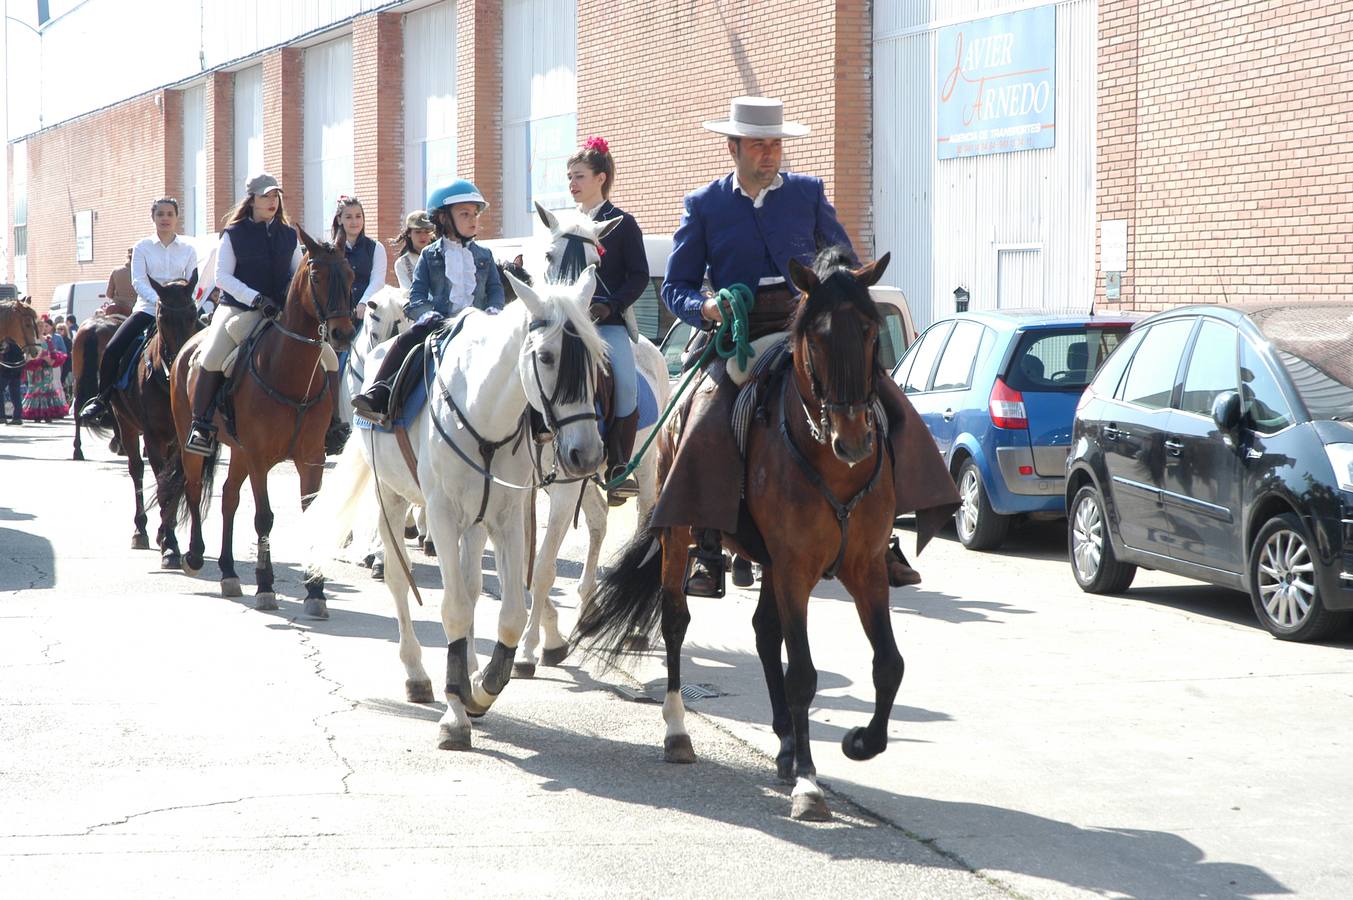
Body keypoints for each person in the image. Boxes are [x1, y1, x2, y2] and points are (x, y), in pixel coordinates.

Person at [655, 96, 957, 596]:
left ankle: (885, 531)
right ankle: (705, 543)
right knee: (703, 415)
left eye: (775, 144)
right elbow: (675, 288)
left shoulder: (808, 193)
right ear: (733, 147)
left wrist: (835, 293)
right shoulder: (703, 204)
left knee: (881, 399)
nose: (769, 153)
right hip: (740, 330)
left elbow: (844, 258)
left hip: (808, 327)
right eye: (758, 144)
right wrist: (707, 308)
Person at [351, 180, 504, 423]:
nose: (473, 219)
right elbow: (417, 296)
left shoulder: (484, 255)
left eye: (474, 214)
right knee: (405, 341)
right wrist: (428, 313)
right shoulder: (429, 255)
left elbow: (495, 289)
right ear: (443, 219)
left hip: (481, 324)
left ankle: (537, 421)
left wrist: (495, 308)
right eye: (464, 214)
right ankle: (379, 393)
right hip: (441, 323)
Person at [185, 173, 302, 456]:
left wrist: (289, 301)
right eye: (265, 197)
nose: (272, 202)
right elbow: (222, 277)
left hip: (280, 311)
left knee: (328, 357)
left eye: (275, 196)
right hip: (238, 307)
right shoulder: (234, 233)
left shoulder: (289, 234)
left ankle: (331, 425)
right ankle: (201, 426)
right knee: (211, 356)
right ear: (251, 200)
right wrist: (256, 298)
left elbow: (298, 273)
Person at [566, 136, 649, 504]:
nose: (572, 183)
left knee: (627, 385)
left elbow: (639, 276)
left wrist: (611, 305)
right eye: (569, 177)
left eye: (579, 175)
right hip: (568, 321)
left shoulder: (624, 223)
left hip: (608, 321)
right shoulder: (565, 225)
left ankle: (618, 466)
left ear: (601, 177)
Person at [78, 198, 198, 423]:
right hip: (147, 309)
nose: (165, 218)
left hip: (181, 312)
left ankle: (214, 405)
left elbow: (193, 282)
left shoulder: (188, 249)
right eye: (160, 214)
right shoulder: (142, 247)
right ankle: (102, 399)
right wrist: (161, 302)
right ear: (153, 218)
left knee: (209, 346)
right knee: (114, 348)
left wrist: (179, 305)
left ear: (176, 218)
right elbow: (138, 282)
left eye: (169, 214)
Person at [326, 195, 388, 453]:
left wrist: (362, 304)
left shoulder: (376, 248)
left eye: (358, 216)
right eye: (349, 217)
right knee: (334, 369)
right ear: (339, 219)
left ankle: (374, 417)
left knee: (372, 364)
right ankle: (333, 424)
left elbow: (377, 281)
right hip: (336, 319)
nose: (354, 222)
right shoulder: (330, 249)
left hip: (364, 318)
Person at [23, 317, 69, 422]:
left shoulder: (48, 339)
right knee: (36, 389)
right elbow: (27, 355)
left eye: (42, 326)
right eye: (39, 326)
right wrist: (37, 358)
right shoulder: (31, 339)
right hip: (35, 369)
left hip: (46, 368)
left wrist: (49, 359)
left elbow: (53, 353)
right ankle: (36, 414)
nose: (41, 328)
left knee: (47, 389)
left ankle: (47, 413)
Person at [391, 209, 436, 291]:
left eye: (426, 232)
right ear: (409, 233)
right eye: (418, 232)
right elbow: (407, 292)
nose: (423, 236)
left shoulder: (441, 257)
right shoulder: (402, 263)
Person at [104, 248, 138, 313]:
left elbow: (109, 294)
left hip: (118, 307)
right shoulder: (144, 272)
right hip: (136, 308)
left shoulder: (116, 271)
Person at [1, 336, 24, 424]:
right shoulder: (17, 341)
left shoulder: (5, 341)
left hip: (6, 369)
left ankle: (1, 416)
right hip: (17, 369)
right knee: (15, 392)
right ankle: (17, 417)